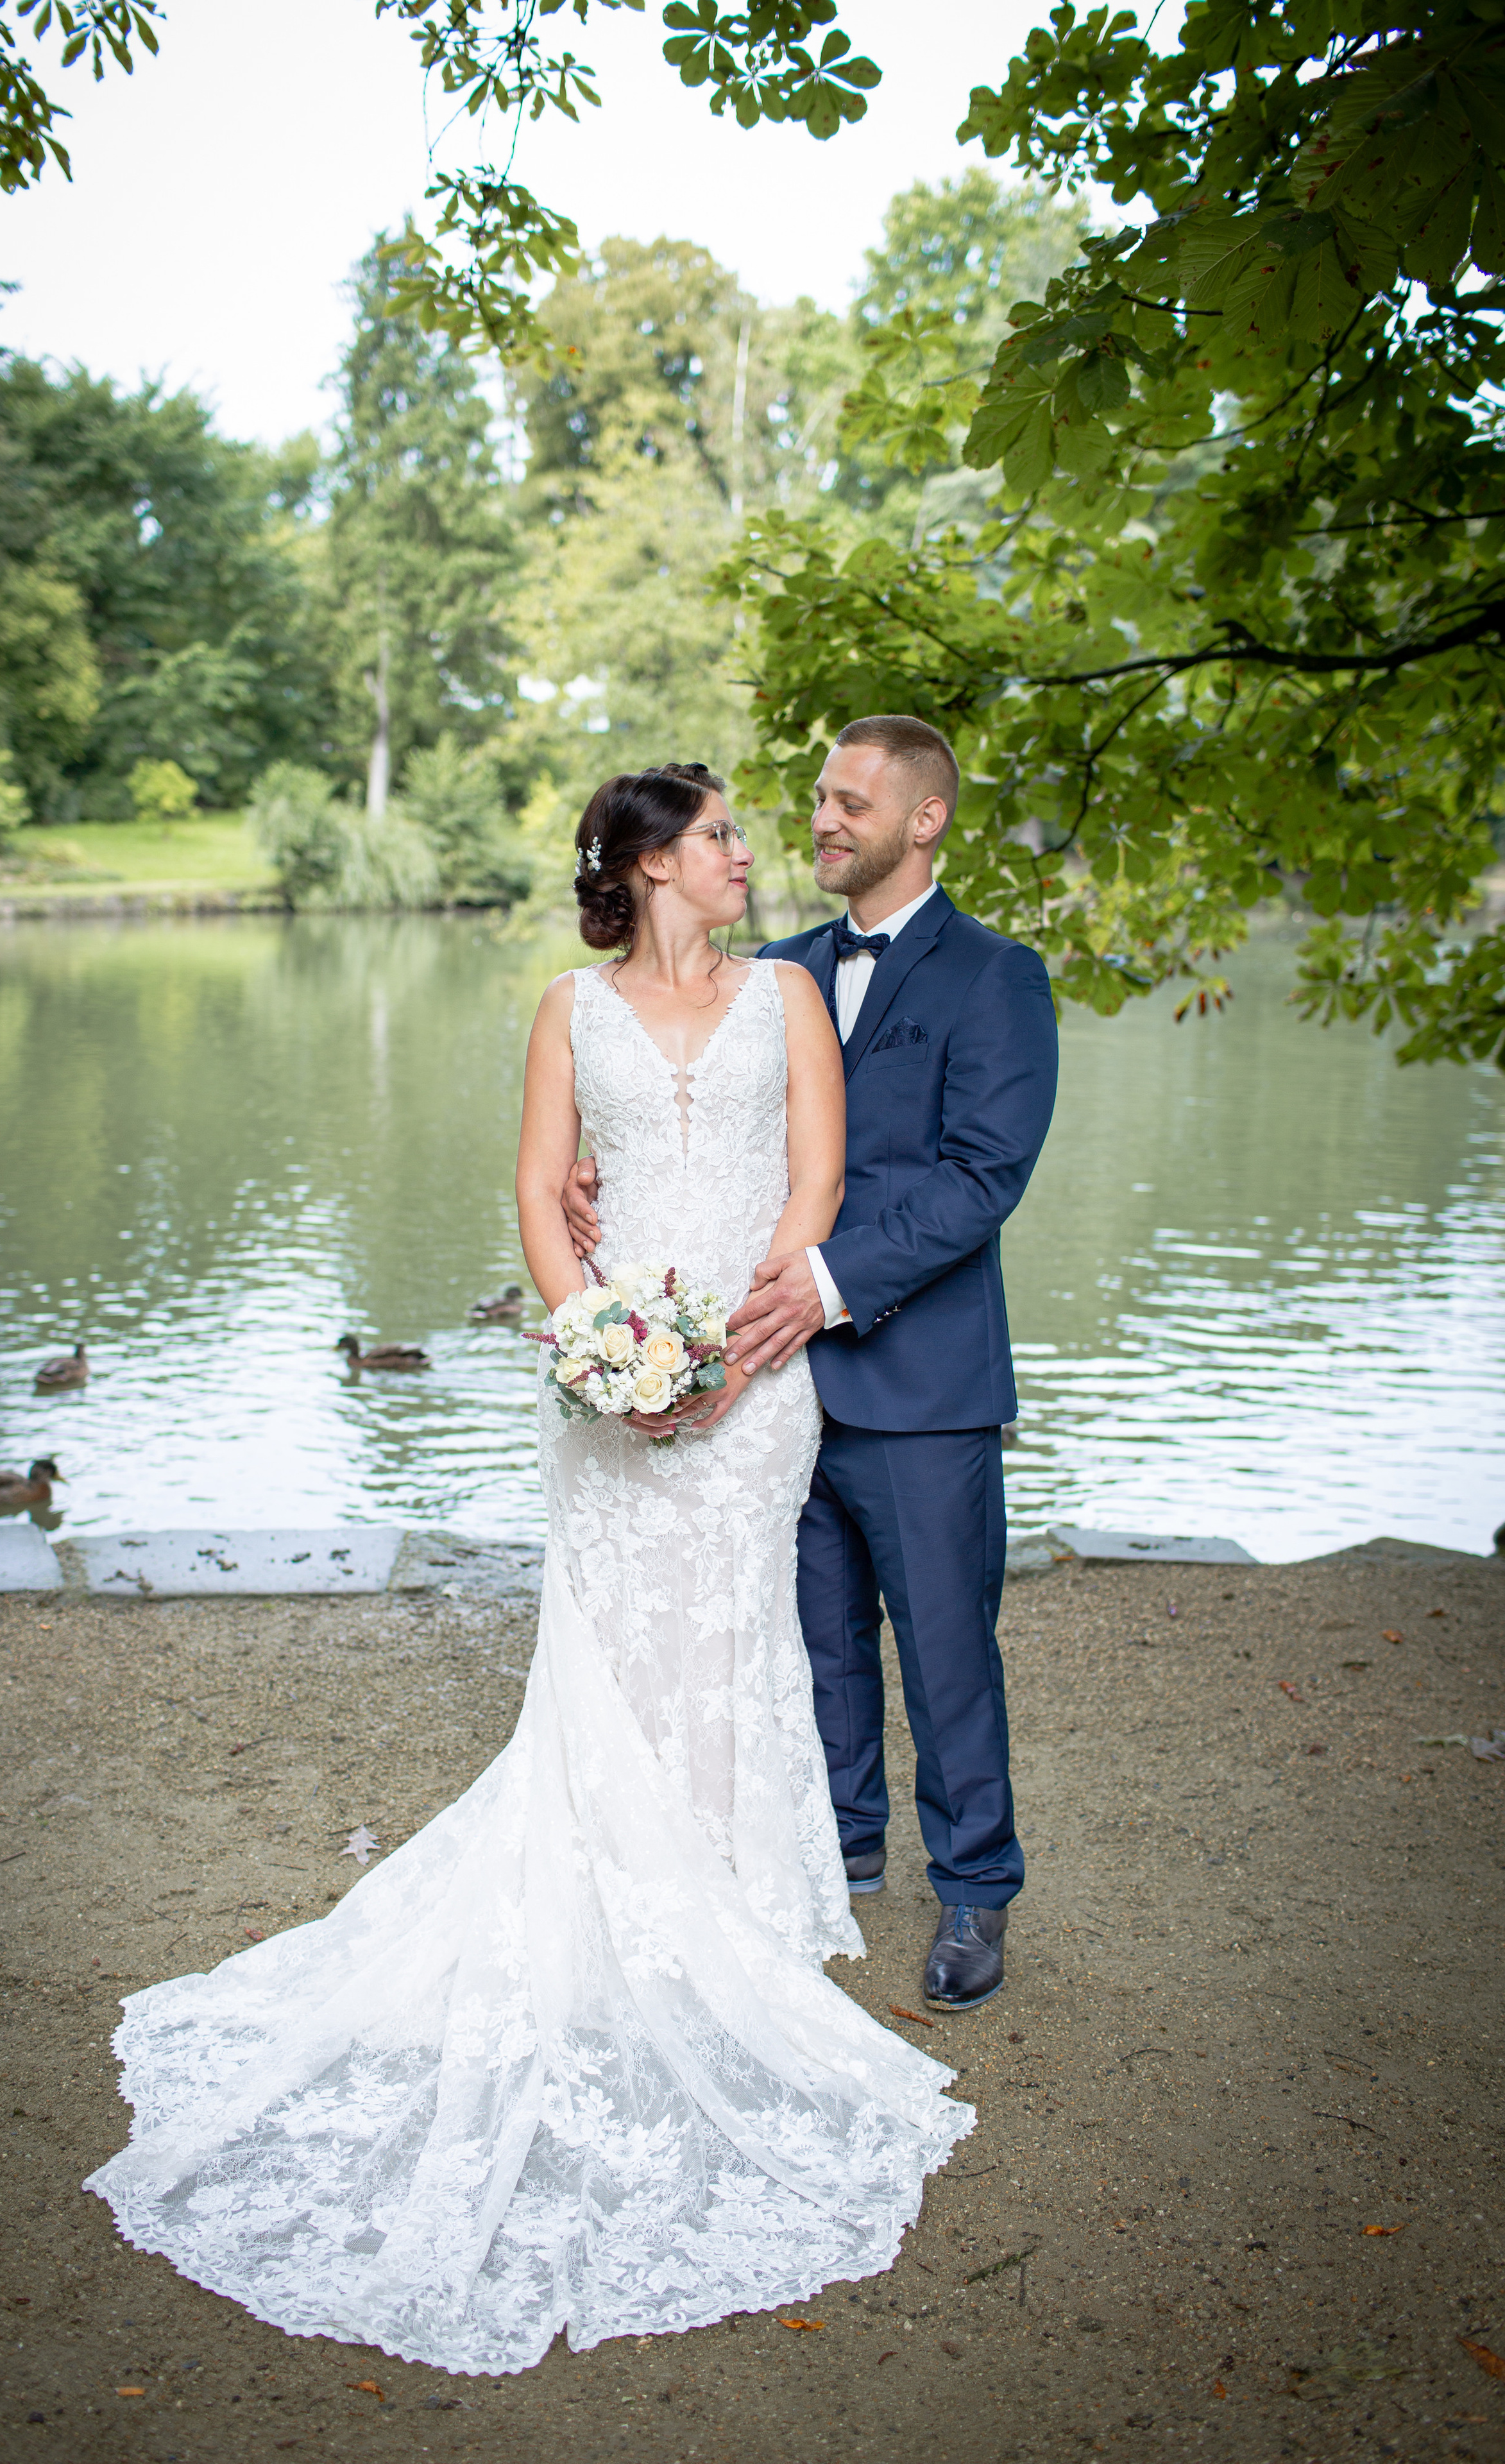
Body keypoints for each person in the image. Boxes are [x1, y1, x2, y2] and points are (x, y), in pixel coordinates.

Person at [83, 760, 971, 2379]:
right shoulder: (568, 1008)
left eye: (741, 836)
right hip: (612, 1385)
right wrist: (598, 1350)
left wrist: (745, 1347)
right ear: (644, 866)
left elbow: (816, 1184)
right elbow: (535, 1191)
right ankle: (618, 1910)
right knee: (615, 1646)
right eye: (718, 837)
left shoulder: (791, 997)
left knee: (732, 1639)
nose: (746, 853)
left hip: (758, 1378)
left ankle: (731, 1910)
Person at [566, 720, 1058, 2012]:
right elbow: (682, 1099)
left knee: (945, 1647)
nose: (822, 823)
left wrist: (824, 1288)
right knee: (811, 1642)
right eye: (818, 802)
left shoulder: (995, 978)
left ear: (924, 820)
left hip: (915, 1377)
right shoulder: (772, 976)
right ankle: (834, 1849)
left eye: (850, 803)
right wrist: (586, 1170)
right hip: (762, 1390)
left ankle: (973, 1891)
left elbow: (979, 1178)